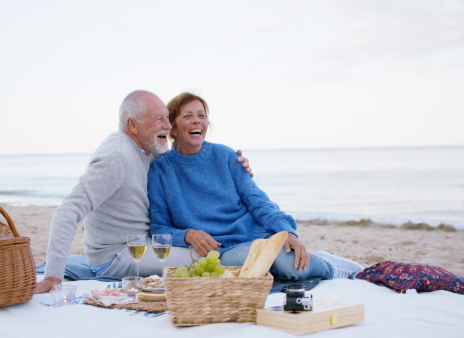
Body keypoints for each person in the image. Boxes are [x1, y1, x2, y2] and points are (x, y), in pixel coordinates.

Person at [35, 90, 252, 294]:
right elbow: (67, 211)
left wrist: (235, 167)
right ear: (133, 125)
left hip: (145, 244)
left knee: (213, 253)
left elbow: (185, 162)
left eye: (168, 118)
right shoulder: (115, 157)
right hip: (119, 254)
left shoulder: (148, 149)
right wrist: (52, 277)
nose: (168, 126)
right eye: (159, 119)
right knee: (217, 259)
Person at [148, 92, 363, 282]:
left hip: (255, 235)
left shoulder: (226, 156)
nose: (197, 121)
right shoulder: (161, 170)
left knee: (290, 266)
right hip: (224, 250)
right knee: (259, 265)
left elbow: (257, 200)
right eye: (188, 116)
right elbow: (160, 228)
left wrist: (285, 230)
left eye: (202, 115)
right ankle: (298, 261)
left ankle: (330, 268)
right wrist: (188, 235)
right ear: (173, 128)